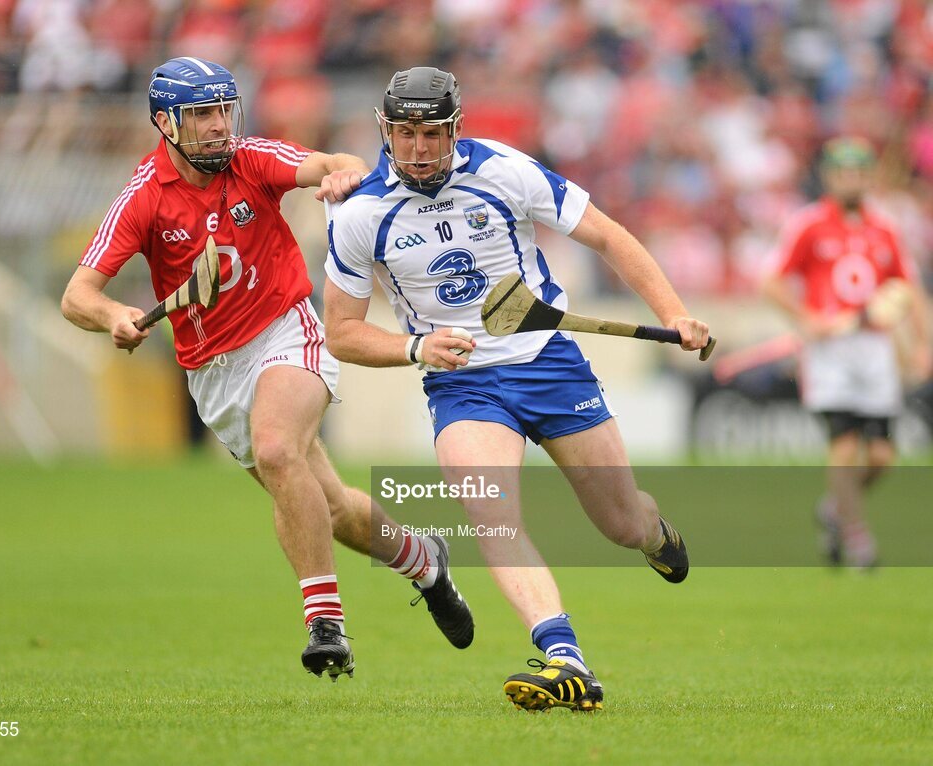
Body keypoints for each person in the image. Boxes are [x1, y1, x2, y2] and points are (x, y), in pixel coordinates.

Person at [61, 57, 473, 682]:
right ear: (164, 123)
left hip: (285, 329)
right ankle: (425, 561)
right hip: (213, 373)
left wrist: (342, 175)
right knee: (329, 509)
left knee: (279, 449)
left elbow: (334, 164)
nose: (217, 126)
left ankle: (324, 623)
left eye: (224, 110)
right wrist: (115, 314)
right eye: (200, 114)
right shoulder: (142, 199)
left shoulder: (251, 160)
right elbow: (78, 296)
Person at [322, 66, 710, 712]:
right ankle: (564, 657)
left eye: (431, 132)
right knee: (489, 510)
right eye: (404, 132)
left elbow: (607, 235)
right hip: (463, 385)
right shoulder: (361, 214)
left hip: (548, 361)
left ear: (456, 129)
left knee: (620, 523)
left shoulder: (505, 171)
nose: (418, 147)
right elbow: (341, 333)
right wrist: (416, 347)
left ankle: (652, 532)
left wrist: (674, 312)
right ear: (385, 131)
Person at [763, 136, 931, 569]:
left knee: (880, 456)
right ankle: (857, 539)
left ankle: (837, 509)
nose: (850, 180)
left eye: (858, 172)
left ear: (869, 177)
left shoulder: (885, 228)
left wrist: (923, 343)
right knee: (843, 443)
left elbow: (907, 288)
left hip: (875, 348)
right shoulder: (809, 224)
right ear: (828, 176)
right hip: (830, 351)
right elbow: (772, 282)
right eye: (842, 172)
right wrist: (808, 319)